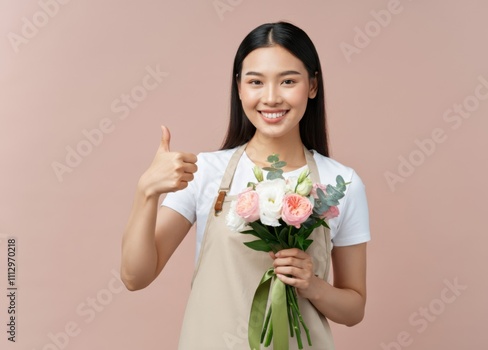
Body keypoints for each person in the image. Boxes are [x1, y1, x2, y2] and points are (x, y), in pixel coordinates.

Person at [121, 21, 370, 349]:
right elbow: (136, 277)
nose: (270, 97)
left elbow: (354, 309)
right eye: (256, 82)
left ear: (312, 86)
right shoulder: (206, 172)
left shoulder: (343, 183)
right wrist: (146, 192)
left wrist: (313, 286)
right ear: (239, 88)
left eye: (288, 81)